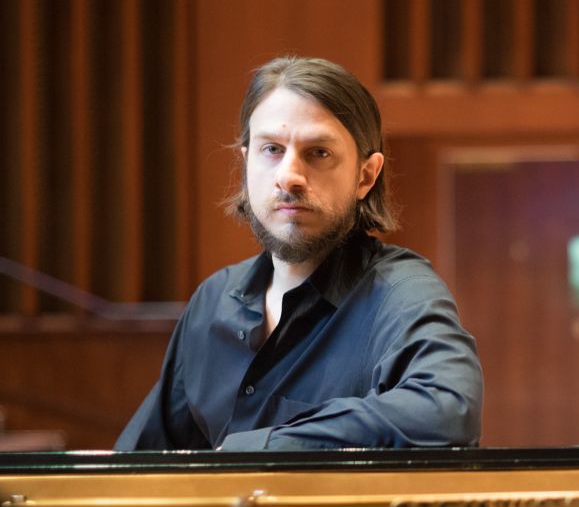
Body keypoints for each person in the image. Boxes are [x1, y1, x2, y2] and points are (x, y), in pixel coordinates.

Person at [115, 56, 483, 451]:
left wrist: (258, 450)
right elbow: (142, 461)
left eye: (318, 153)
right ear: (245, 163)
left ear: (365, 176)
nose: (288, 175)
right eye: (271, 149)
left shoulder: (399, 293)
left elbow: (447, 410)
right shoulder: (212, 302)